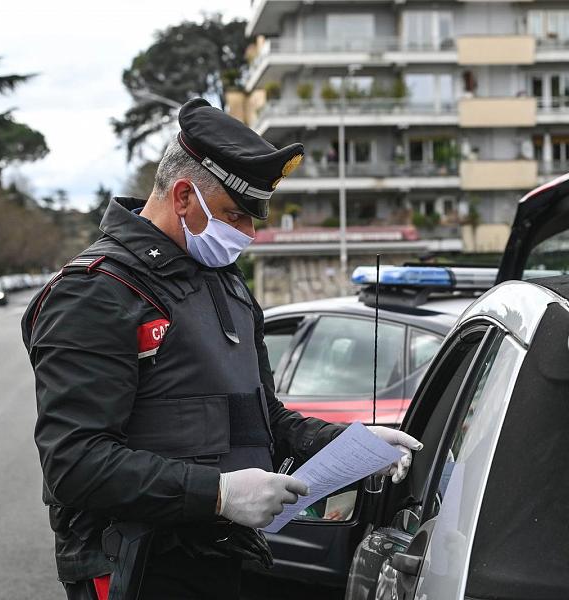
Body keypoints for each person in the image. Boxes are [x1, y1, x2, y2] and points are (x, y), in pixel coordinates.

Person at [21, 98, 422, 600]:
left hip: (226, 558)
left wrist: (350, 446)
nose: (250, 234)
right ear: (184, 196)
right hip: (137, 569)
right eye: (236, 215)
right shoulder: (96, 292)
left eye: (256, 219)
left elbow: (263, 419)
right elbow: (75, 463)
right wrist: (218, 494)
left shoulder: (224, 286)